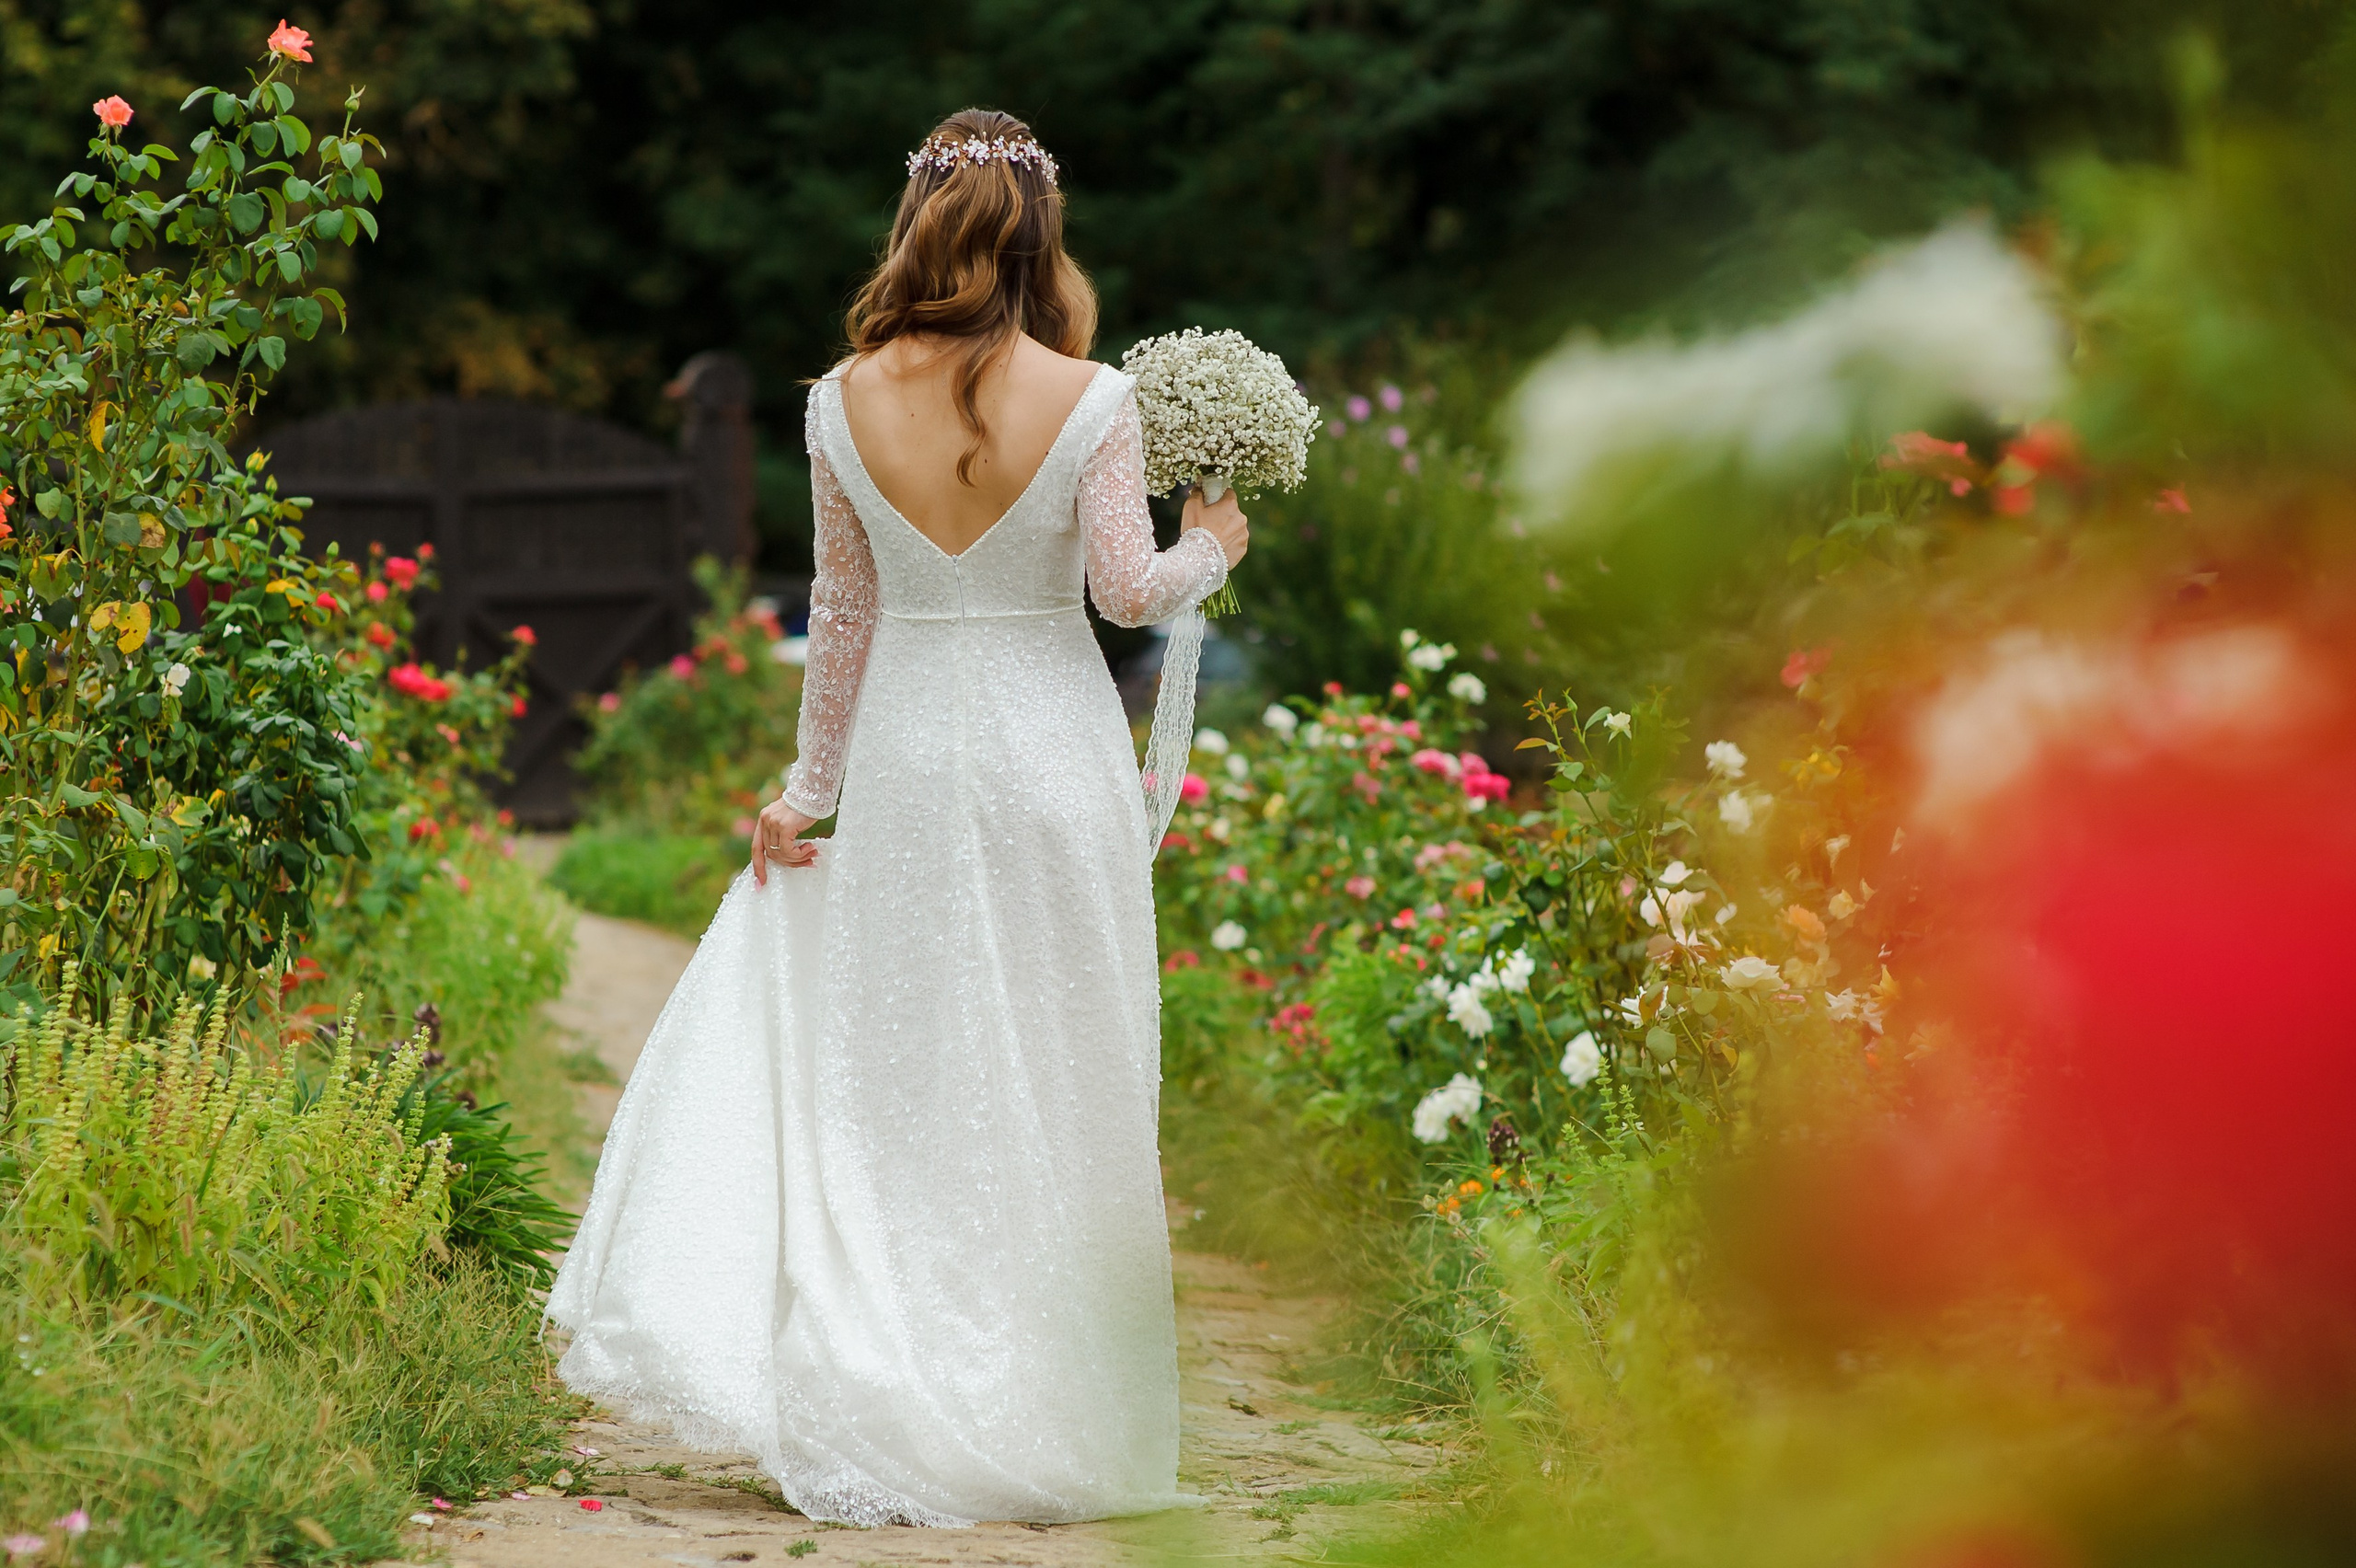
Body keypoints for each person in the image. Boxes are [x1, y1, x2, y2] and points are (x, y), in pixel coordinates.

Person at [546, 108, 1249, 1528]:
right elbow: (1124, 594)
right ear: (1041, 233)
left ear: (918, 225)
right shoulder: (1096, 398)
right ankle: (1048, 1408)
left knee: (909, 1076)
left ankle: (897, 1384)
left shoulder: (839, 402)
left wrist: (808, 791)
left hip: (915, 758)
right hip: (1051, 760)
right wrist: (1211, 548)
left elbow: (843, 614)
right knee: (1058, 1068)